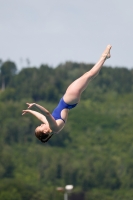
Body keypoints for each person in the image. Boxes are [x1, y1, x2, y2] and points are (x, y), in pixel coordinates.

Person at [22, 45, 112, 143]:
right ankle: (104, 56)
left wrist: (30, 111)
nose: (41, 125)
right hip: (69, 99)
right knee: (88, 75)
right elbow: (46, 113)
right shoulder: (53, 126)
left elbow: (41, 116)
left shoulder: (52, 126)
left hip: (71, 101)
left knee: (88, 76)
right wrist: (35, 105)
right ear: (45, 131)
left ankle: (104, 57)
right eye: (40, 127)